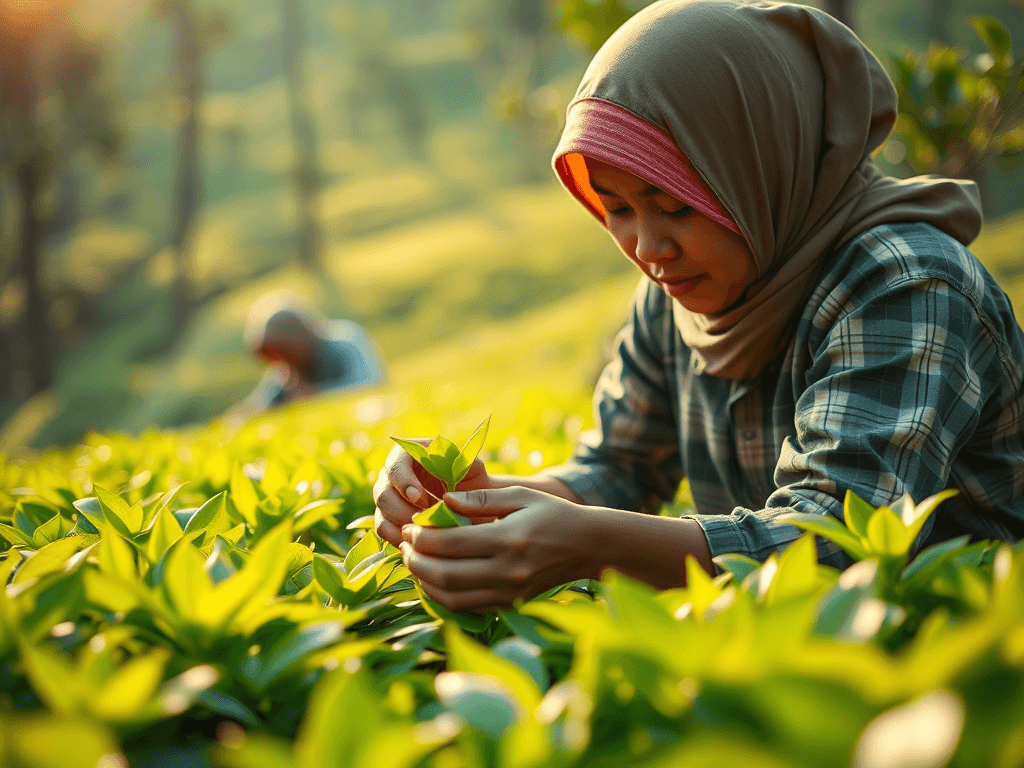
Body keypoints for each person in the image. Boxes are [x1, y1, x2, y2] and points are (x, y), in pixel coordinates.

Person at [373, 0, 1024, 613]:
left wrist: (595, 546)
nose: (648, 248)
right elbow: (619, 469)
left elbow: (837, 539)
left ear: (760, 165)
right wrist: (470, 499)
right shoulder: (676, 294)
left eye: (676, 205)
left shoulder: (904, 284)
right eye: (618, 209)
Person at [230, 291, 386, 417]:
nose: (281, 363)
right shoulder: (288, 371)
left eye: (283, 353)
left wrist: (316, 396)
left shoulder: (346, 339)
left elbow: (370, 382)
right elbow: (261, 405)